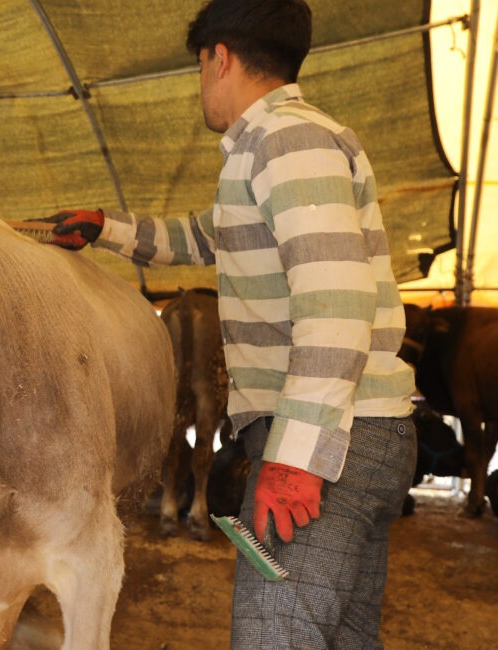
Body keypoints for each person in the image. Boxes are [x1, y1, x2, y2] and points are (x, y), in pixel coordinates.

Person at [34, 1, 417, 648]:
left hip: (330, 446)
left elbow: (336, 301)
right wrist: (107, 228)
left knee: (278, 636)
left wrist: (295, 459)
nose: (201, 84)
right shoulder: (271, 151)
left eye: (199, 67)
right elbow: (209, 237)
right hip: (355, 438)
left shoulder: (286, 141)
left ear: (221, 57)